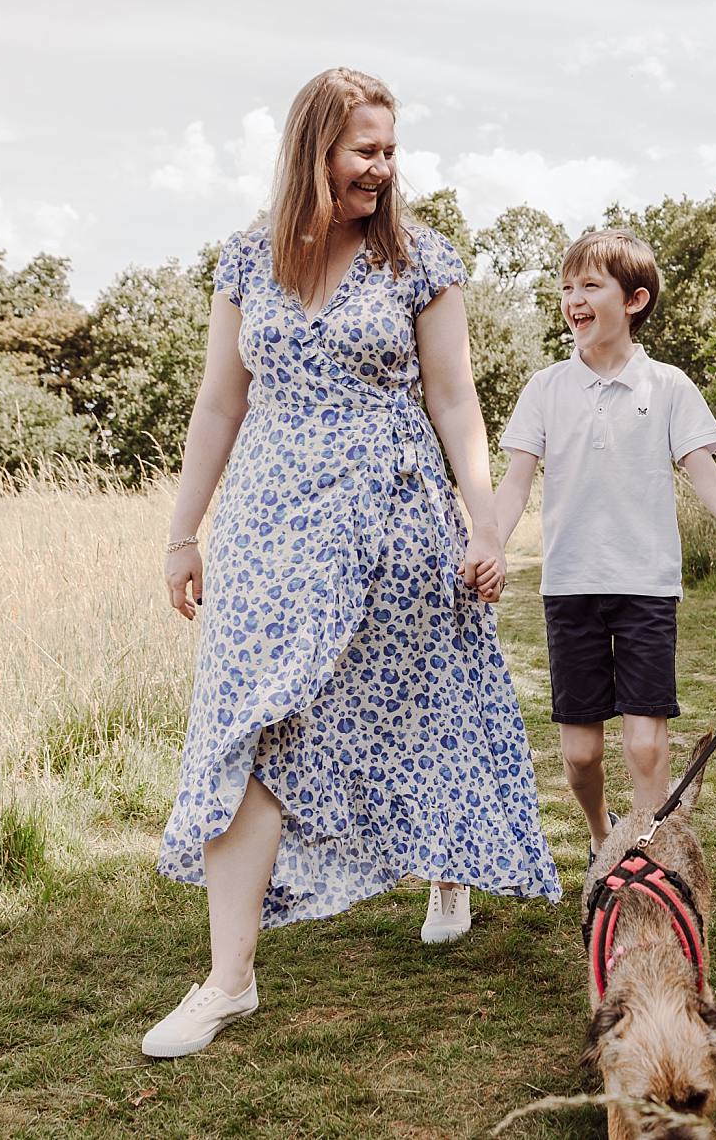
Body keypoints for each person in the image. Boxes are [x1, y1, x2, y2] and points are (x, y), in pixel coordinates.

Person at [144, 68, 560, 1058]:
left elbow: (455, 400)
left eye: (388, 149)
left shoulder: (418, 258)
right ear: (312, 151)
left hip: (393, 512)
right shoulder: (247, 259)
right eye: (364, 148)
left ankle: (445, 862)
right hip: (270, 525)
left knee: (426, 701)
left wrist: (485, 520)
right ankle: (228, 978)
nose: (382, 166)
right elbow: (217, 402)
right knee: (246, 723)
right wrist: (182, 529)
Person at [492, 230, 716, 875]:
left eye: (590, 286)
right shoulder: (545, 388)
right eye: (567, 286)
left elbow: (711, 479)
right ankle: (601, 831)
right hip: (571, 588)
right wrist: (489, 544)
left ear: (633, 300)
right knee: (580, 755)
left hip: (646, 588)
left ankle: (645, 862)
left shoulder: (667, 386)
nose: (573, 299)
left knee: (643, 744)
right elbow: (515, 481)